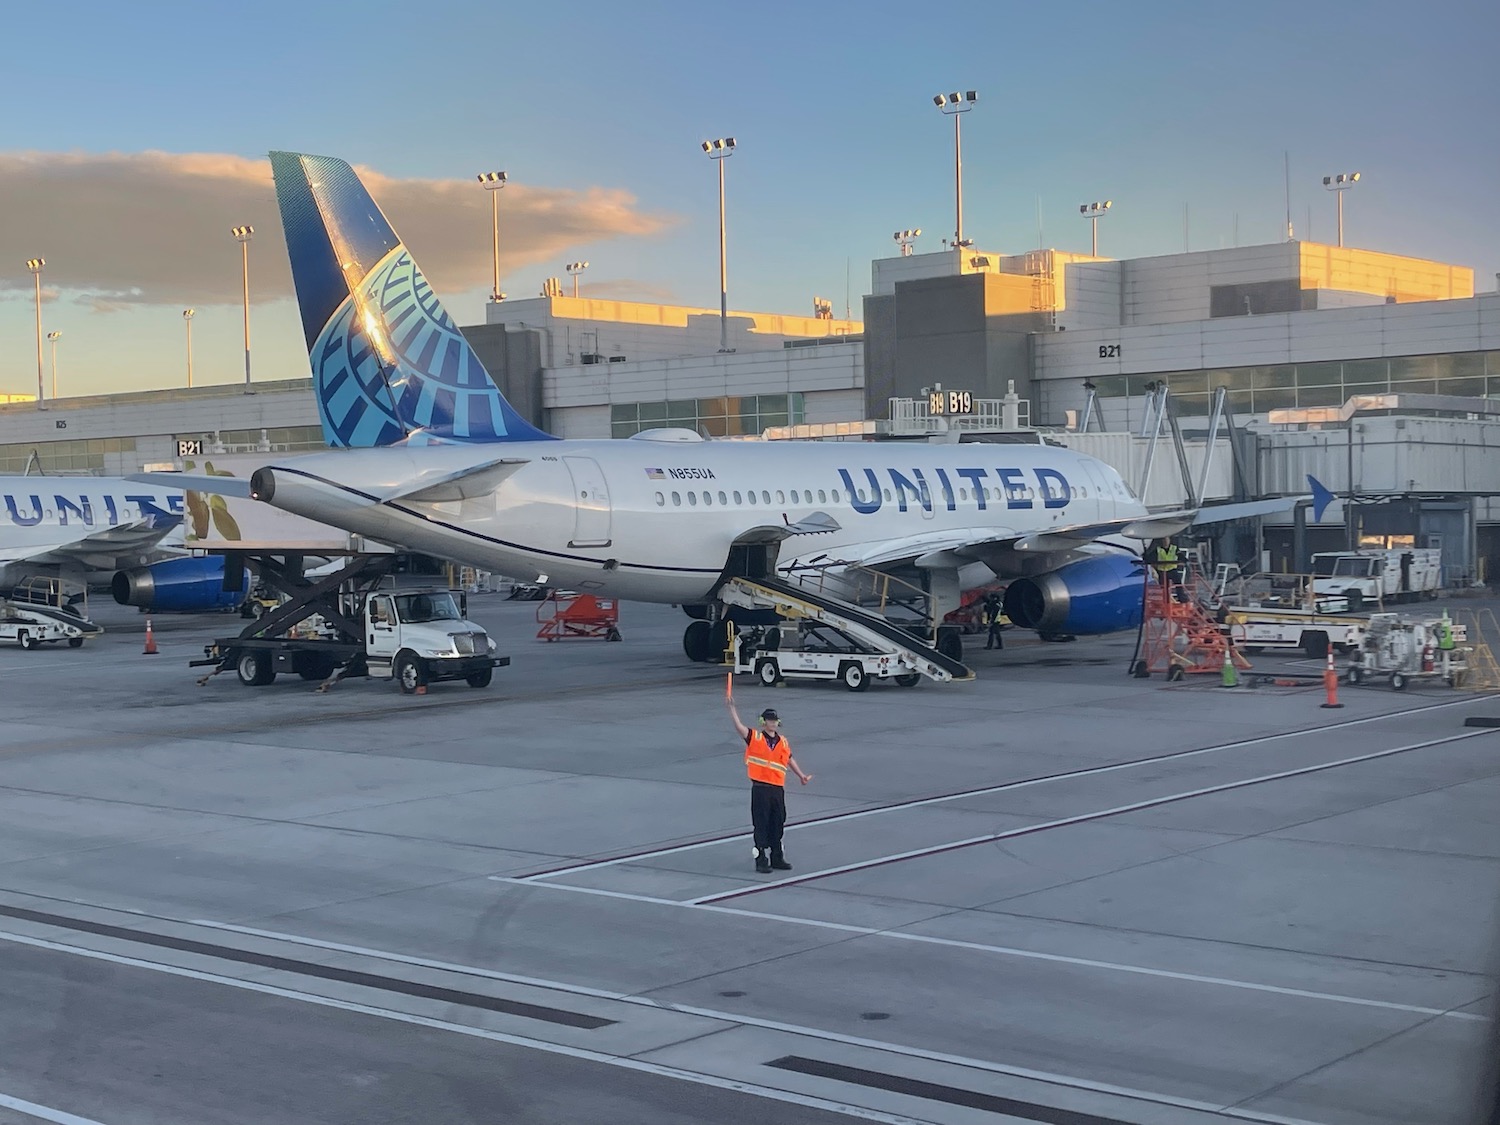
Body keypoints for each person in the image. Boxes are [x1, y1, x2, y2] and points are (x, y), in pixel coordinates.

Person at [727, 701, 811, 873]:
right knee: (761, 823)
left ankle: (777, 856)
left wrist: (801, 775)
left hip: (777, 789)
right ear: (763, 722)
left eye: (775, 720)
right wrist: (732, 709)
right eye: (769, 720)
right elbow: (739, 728)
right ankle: (761, 858)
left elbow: (788, 759)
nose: (772, 723)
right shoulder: (755, 738)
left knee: (778, 822)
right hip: (761, 788)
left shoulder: (783, 742)